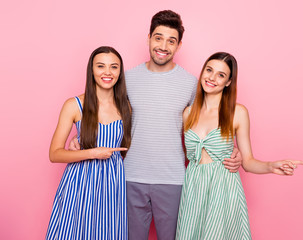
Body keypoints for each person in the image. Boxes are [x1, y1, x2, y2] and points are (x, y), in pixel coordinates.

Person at [70, 10, 241, 240]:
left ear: (179, 45)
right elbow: (102, 109)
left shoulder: (192, 84)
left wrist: (233, 149)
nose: (163, 46)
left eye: (171, 41)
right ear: (148, 37)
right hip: (129, 177)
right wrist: (82, 136)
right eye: (158, 37)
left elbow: (207, 123)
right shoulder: (126, 80)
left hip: (173, 180)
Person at [175, 52, 303, 240]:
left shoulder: (237, 113)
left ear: (229, 82)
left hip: (223, 189)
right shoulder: (188, 113)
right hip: (193, 189)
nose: (212, 78)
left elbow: (247, 162)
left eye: (221, 75)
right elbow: (187, 156)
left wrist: (272, 166)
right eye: (209, 70)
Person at [46, 46, 131, 240]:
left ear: (120, 72)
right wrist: (92, 152)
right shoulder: (74, 105)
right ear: (91, 70)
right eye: (100, 66)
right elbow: (55, 154)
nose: (107, 72)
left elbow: (126, 147)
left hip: (112, 184)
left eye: (114, 67)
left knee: (107, 231)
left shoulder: (126, 106)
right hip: (80, 182)